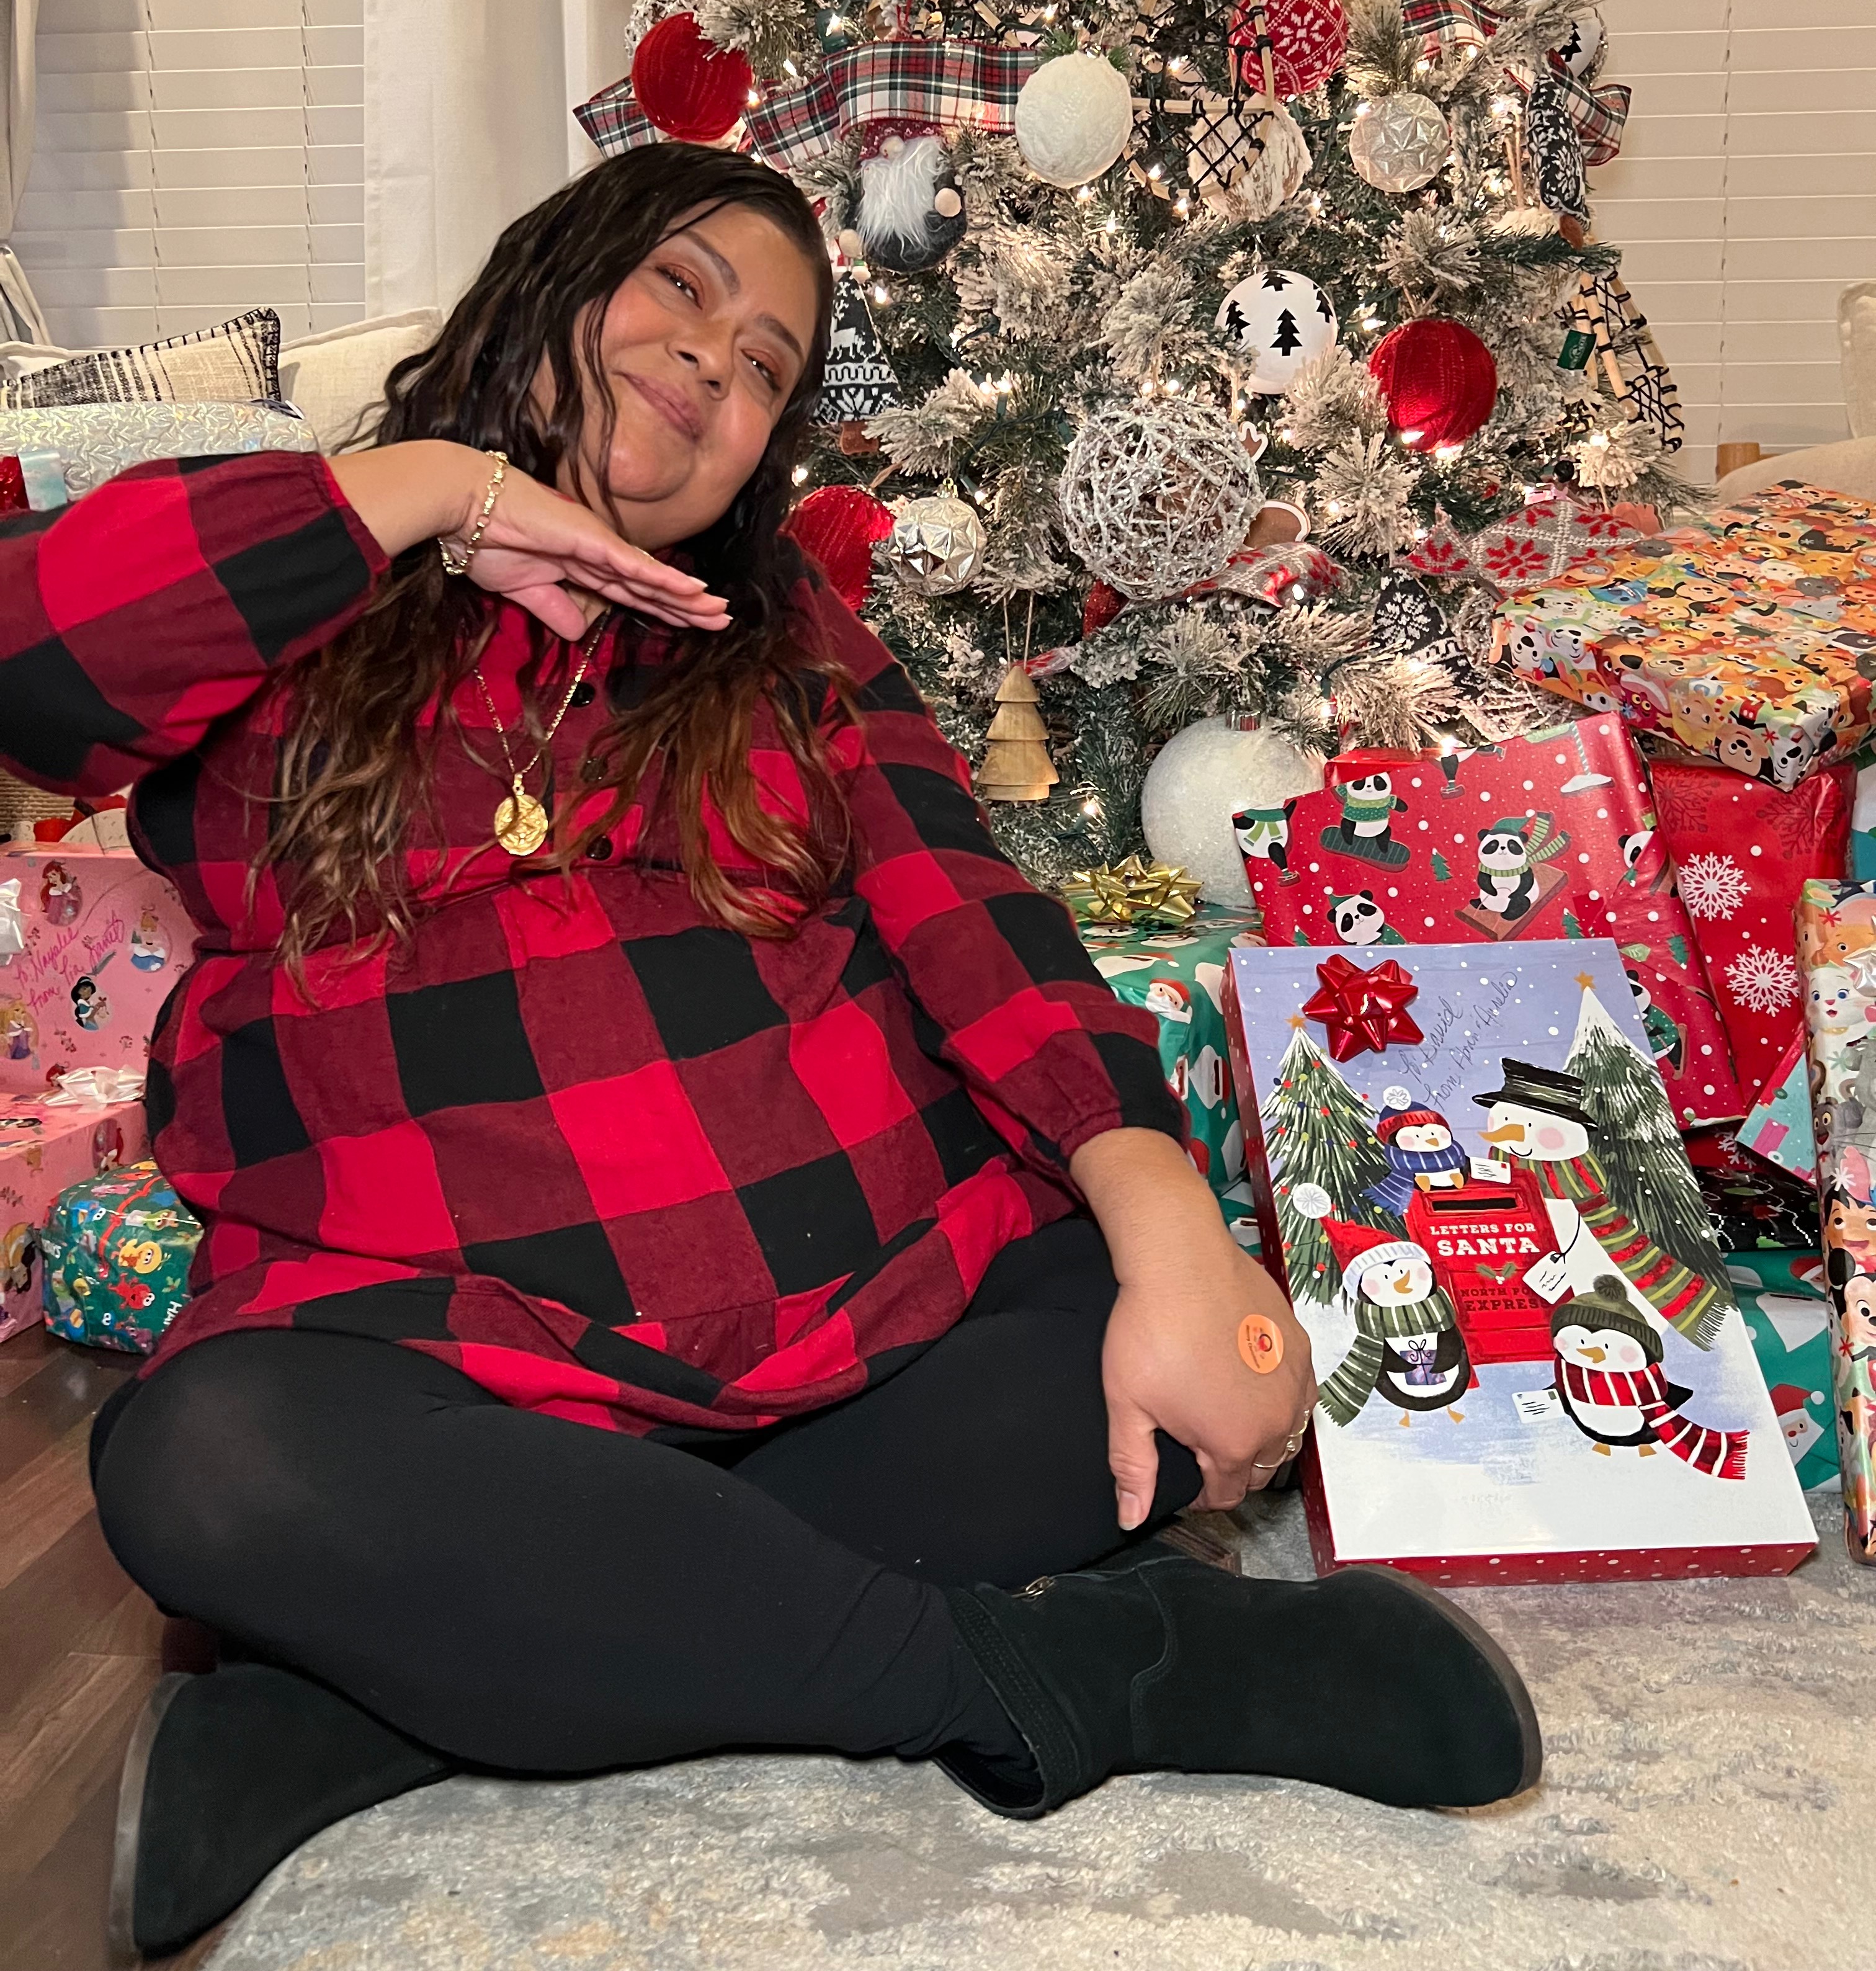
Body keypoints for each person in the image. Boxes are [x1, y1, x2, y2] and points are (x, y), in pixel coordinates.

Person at [0, 148, 1538, 1960]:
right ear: (551, 279)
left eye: (765, 366)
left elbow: (976, 920)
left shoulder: (784, 632)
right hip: (441, 1358)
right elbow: (31, 656)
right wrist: (438, 494)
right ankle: (1080, 1673)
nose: (713, 362)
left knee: (1117, 1389)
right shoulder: (305, 558)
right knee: (207, 1467)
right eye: (680, 288)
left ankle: (386, 1710)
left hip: (874, 1328)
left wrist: (1174, 1237)